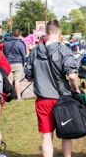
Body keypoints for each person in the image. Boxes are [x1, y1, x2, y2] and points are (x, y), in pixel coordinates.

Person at [25, 20, 80, 157]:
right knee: (66, 134)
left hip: (43, 100)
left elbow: (29, 75)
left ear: (46, 32)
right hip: (63, 99)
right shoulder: (64, 49)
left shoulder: (35, 50)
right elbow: (72, 76)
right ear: (59, 32)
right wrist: (76, 90)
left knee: (47, 135)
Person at [3, 28, 26, 99]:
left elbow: (4, 54)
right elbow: (23, 54)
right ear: (19, 35)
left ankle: (10, 96)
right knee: (17, 80)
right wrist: (23, 62)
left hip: (8, 63)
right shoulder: (20, 43)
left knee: (9, 80)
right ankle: (18, 96)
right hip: (18, 62)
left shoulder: (5, 43)